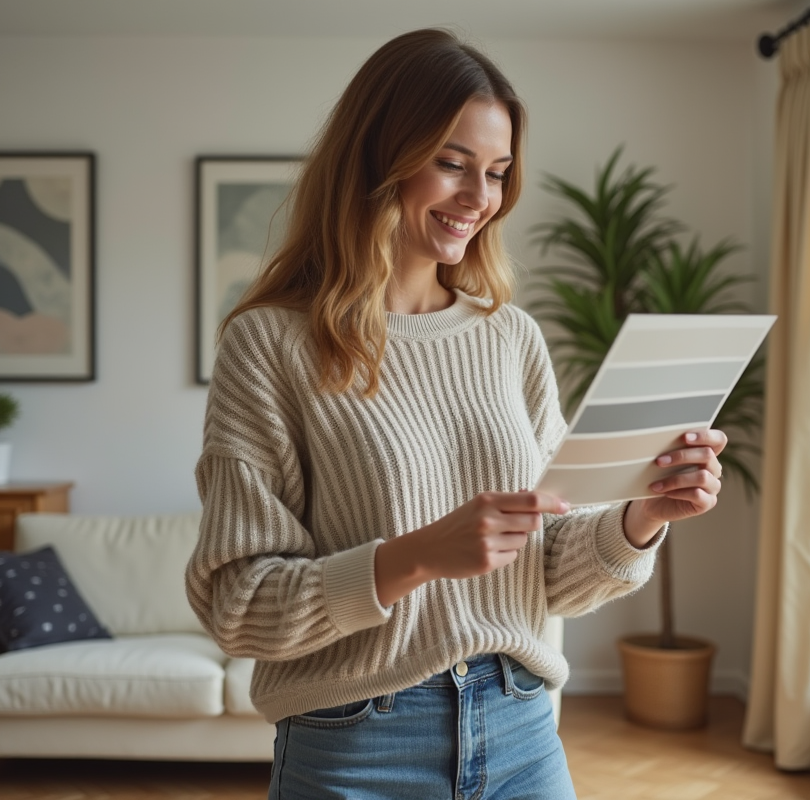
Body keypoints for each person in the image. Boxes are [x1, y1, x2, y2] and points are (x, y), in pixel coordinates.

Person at [185, 28, 727, 800]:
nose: (481, 198)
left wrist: (640, 516)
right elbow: (237, 609)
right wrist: (415, 557)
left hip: (520, 730)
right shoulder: (270, 343)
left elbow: (549, 575)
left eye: (499, 173)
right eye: (452, 163)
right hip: (356, 745)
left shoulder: (509, 337)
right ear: (379, 156)